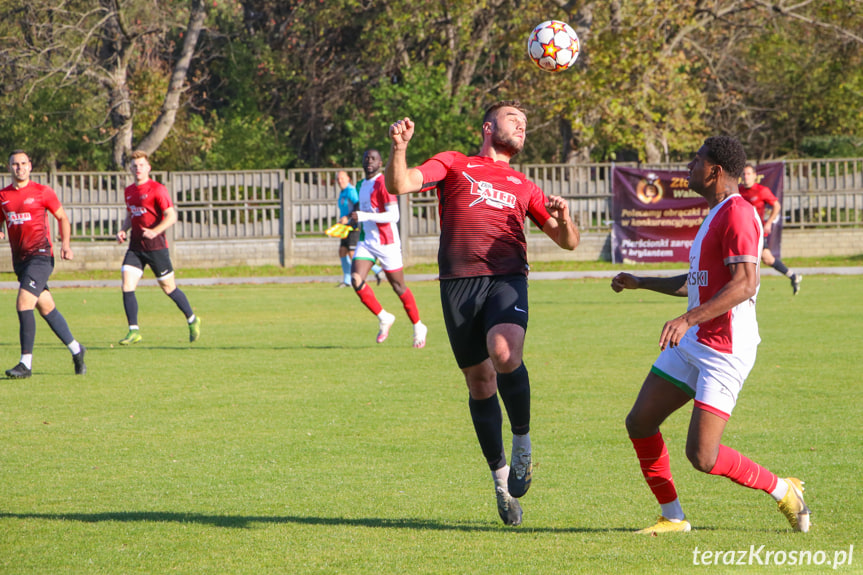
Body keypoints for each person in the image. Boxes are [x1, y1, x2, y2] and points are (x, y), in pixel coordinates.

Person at [385, 101, 580, 526]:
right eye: (515, 119)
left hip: (507, 276)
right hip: (457, 284)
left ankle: (523, 442)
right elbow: (400, 184)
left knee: (504, 351)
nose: (522, 126)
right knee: (479, 382)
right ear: (489, 126)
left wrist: (564, 220)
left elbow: (568, 242)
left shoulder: (524, 185)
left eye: (526, 123)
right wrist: (399, 148)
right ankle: (500, 479)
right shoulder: (455, 164)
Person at [611, 136, 810, 534]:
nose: (690, 165)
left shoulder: (738, 213)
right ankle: (672, 517)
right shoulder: (715, 213)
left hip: (725, 350)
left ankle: (783, 489)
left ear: (715, 170)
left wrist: (686, 320)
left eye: (697, 159)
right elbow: (697, 283)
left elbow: (745, 284)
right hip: (695, 342)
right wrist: (641, 282)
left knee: (702, 456)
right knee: (640, 422)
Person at [0, 150, 87, 378]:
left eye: (23, 163)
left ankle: (25, 364)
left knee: (23, 304)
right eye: (15, 164)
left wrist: (66, 245)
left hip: (40, 256)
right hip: (20, 262)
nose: (19, 168)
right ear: (9, 167)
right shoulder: (3, 196)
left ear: (30, 166)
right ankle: (77, 350)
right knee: (46, 307)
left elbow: (62, 218)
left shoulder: (42, 192)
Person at [116, 150, 201, 345]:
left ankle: (192, 319)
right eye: (134, 166)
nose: (138, 169)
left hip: (156, 247)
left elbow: (171, 216)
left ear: (148, 168)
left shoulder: (157, 189)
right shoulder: (129, 191)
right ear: (130, 169)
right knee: (127, 285)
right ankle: (133, 330)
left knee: (169, 288)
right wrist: (123, 229)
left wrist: (155, 231)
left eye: (141, 165)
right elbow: (131, 214)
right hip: (135, 247)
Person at [348, 149, 427, 348]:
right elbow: (362, 209)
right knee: (356, 280)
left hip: (387, 243)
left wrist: (364, 217)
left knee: (398, 287)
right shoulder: (360, 184)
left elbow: (394, 216)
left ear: (380, 163)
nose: (369, 161)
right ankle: (384, 317)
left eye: (373, 158)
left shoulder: (383, 183)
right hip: (367, 242)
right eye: (366, 158)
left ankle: (418, 326)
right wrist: (353, 219)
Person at [739, 164, 802, 294]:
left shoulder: (761, 190)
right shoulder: (738, 191)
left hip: (756, 231)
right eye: (744, 174)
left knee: (763, 258)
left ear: (755, 176)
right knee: (763, 258)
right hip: (742, 232)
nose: (746, 177)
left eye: (749, 174)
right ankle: (793, 276)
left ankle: (745, 287)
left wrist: (769, 222)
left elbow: (776, 206)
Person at [335, 170, 382, 288]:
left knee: (352, 253)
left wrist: (348, 217)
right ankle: (346, 280)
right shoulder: (342, 192)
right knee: (342, 251)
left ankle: (377, 270)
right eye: (338, 179)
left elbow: (357, 205)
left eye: (342, 178)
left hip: (353, 226)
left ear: (348, 178)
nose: (340, 181)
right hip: (345, 227)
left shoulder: (351, 191)